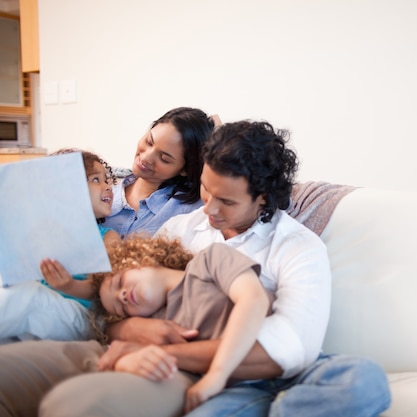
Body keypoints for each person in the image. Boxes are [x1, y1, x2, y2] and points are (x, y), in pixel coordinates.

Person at [37, 120, 391, 417]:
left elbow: (290, 349)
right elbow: (113, 301)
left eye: (227, 201)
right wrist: (133, 329)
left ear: (263, 198)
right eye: (206, 190)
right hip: (212, 377)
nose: (210, 209)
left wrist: (164, 352)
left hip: (283, 374)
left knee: (364, 380)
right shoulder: (181, 230)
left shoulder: (296, 246)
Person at [90, 235, 273, 413]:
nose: (121, 296)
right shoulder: (157, 326)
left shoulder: (208, 261)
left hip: (270, 366)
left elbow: (254, 299)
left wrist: (217, 374)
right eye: (121, 309)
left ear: (139, 257)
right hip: (232, 389)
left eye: (120, 282)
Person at [0, 148, 121, 342]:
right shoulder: (41, 231)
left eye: (107, 180)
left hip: (81, 314)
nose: (108, 187)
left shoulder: (108, 238)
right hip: (41, 311)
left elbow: (107, 287)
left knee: (27, 296)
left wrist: (70, 285)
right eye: (96, 180)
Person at [102, 106, 217, 238]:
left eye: (164, 159)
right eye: (149, 142)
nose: (146, 158)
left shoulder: (189, 211)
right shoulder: (101, 185)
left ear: (185, 169)